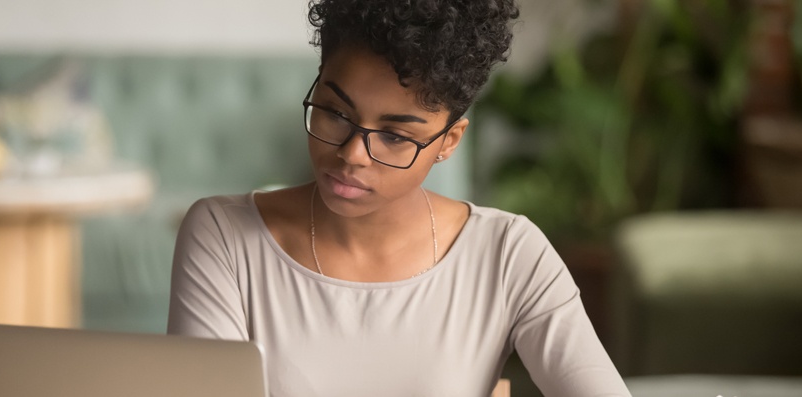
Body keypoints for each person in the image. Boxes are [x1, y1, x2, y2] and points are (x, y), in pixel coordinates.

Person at [167, 0, 630, 395]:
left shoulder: (508, 254)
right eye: (334, 113)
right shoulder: (224, 237)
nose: (351, 154)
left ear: (448, 142)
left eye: (393, 136)